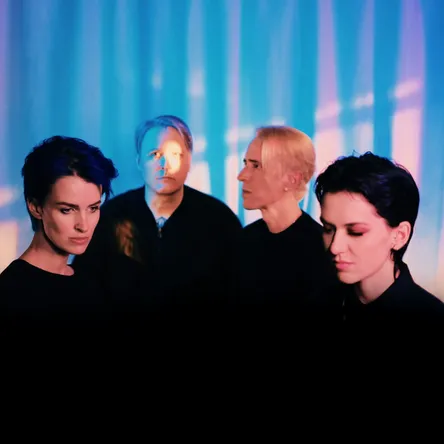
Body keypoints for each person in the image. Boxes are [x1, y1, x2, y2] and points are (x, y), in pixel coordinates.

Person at [73, 115, 242, 321]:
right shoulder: (110, 217)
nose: (164, 164)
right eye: (154, 154)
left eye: (175, 154)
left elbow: (238, 296)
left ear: (189, 161)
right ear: (139, 162)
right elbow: (84, 291)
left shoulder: (219, 221)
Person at [0, 136, 118, 336]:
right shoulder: (11, 295)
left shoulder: (92, 282)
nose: (83, 225)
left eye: (93, 208)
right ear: (36, 207)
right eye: (67, 210)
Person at [314, 151, 444, 326]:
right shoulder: (315, 304)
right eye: (328, 229)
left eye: (356, 232)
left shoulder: (431, 319)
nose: (335, 247)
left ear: (400, 236)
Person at [235, 126, 339, 324]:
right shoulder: (242, 241)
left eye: (256, 166)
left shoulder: (322, 250)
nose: (242, 175)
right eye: (245, 164)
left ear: (292, 179)